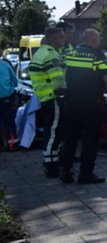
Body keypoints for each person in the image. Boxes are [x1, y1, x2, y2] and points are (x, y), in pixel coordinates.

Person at [58, 29, 107, 184]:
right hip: (90, 102)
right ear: (94, 41)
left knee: (71, 137)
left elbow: (63, 75)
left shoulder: (69, 54)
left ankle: (65, 170)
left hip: (71, 101)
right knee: (91, 139)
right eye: (99, 40)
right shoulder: (97, 56)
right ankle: (86, 173)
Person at [29, 26, 67, 178]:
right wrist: (64, 94)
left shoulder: (40, 53)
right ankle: (51, 165)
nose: (64, 40)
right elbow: (57, 79)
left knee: (51, 130)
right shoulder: (52, 55)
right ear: (53, 39)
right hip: (53, 97)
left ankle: (51, 160)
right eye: (61, 37)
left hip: (44, 96)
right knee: (53, 131)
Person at [0, 57, 18, 150]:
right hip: (6, 97)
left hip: (5, 96)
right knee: (9, 121)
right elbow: (15, 82)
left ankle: (3, 144)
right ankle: (12, 144)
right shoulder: (5, 64)